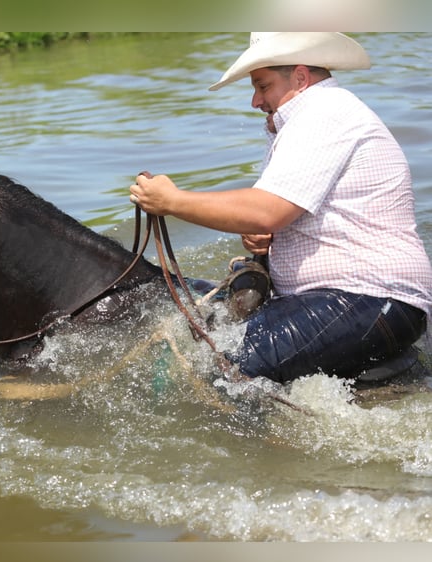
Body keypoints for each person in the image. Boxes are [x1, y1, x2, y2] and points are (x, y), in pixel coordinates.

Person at [129, 32, 432, 383]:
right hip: (359, 298)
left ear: (300, 77)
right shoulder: (315, 116)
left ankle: (261, 440)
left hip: (366, 296)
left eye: (263, 86)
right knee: (213, 329)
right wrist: (268, 233)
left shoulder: (324, 113)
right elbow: (277, 212)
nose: (255, 100)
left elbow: (268, 209)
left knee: (229, 365)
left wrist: (172, 201)